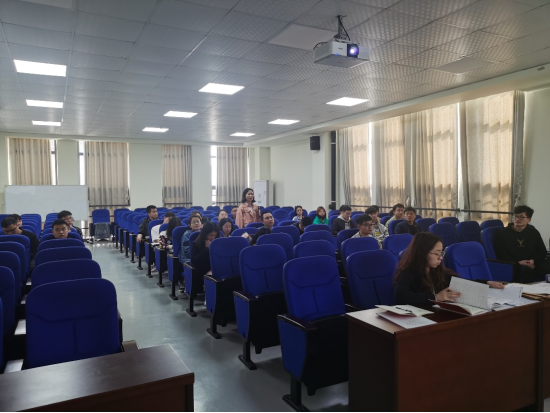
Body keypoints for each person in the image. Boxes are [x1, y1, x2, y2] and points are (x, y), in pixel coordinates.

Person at [394, 233, 504, 306]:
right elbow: (400, 296)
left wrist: (487, 283)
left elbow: (461, 283)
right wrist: (435, 297)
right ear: (422, 253)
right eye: (436, 253)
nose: (440, 258)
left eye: (441, 253)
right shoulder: (408, 272)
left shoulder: (436, 270)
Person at [495, 205, 550, 283]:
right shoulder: (503, 233)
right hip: (515, 264)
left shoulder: (533, 232)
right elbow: (501, 254)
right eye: (516, 216)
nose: (517, 219)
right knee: (525, 270)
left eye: (521, 217)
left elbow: (542, 251)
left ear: (529, 219)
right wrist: (518, 262)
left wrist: (533, 261)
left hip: (532, 263)